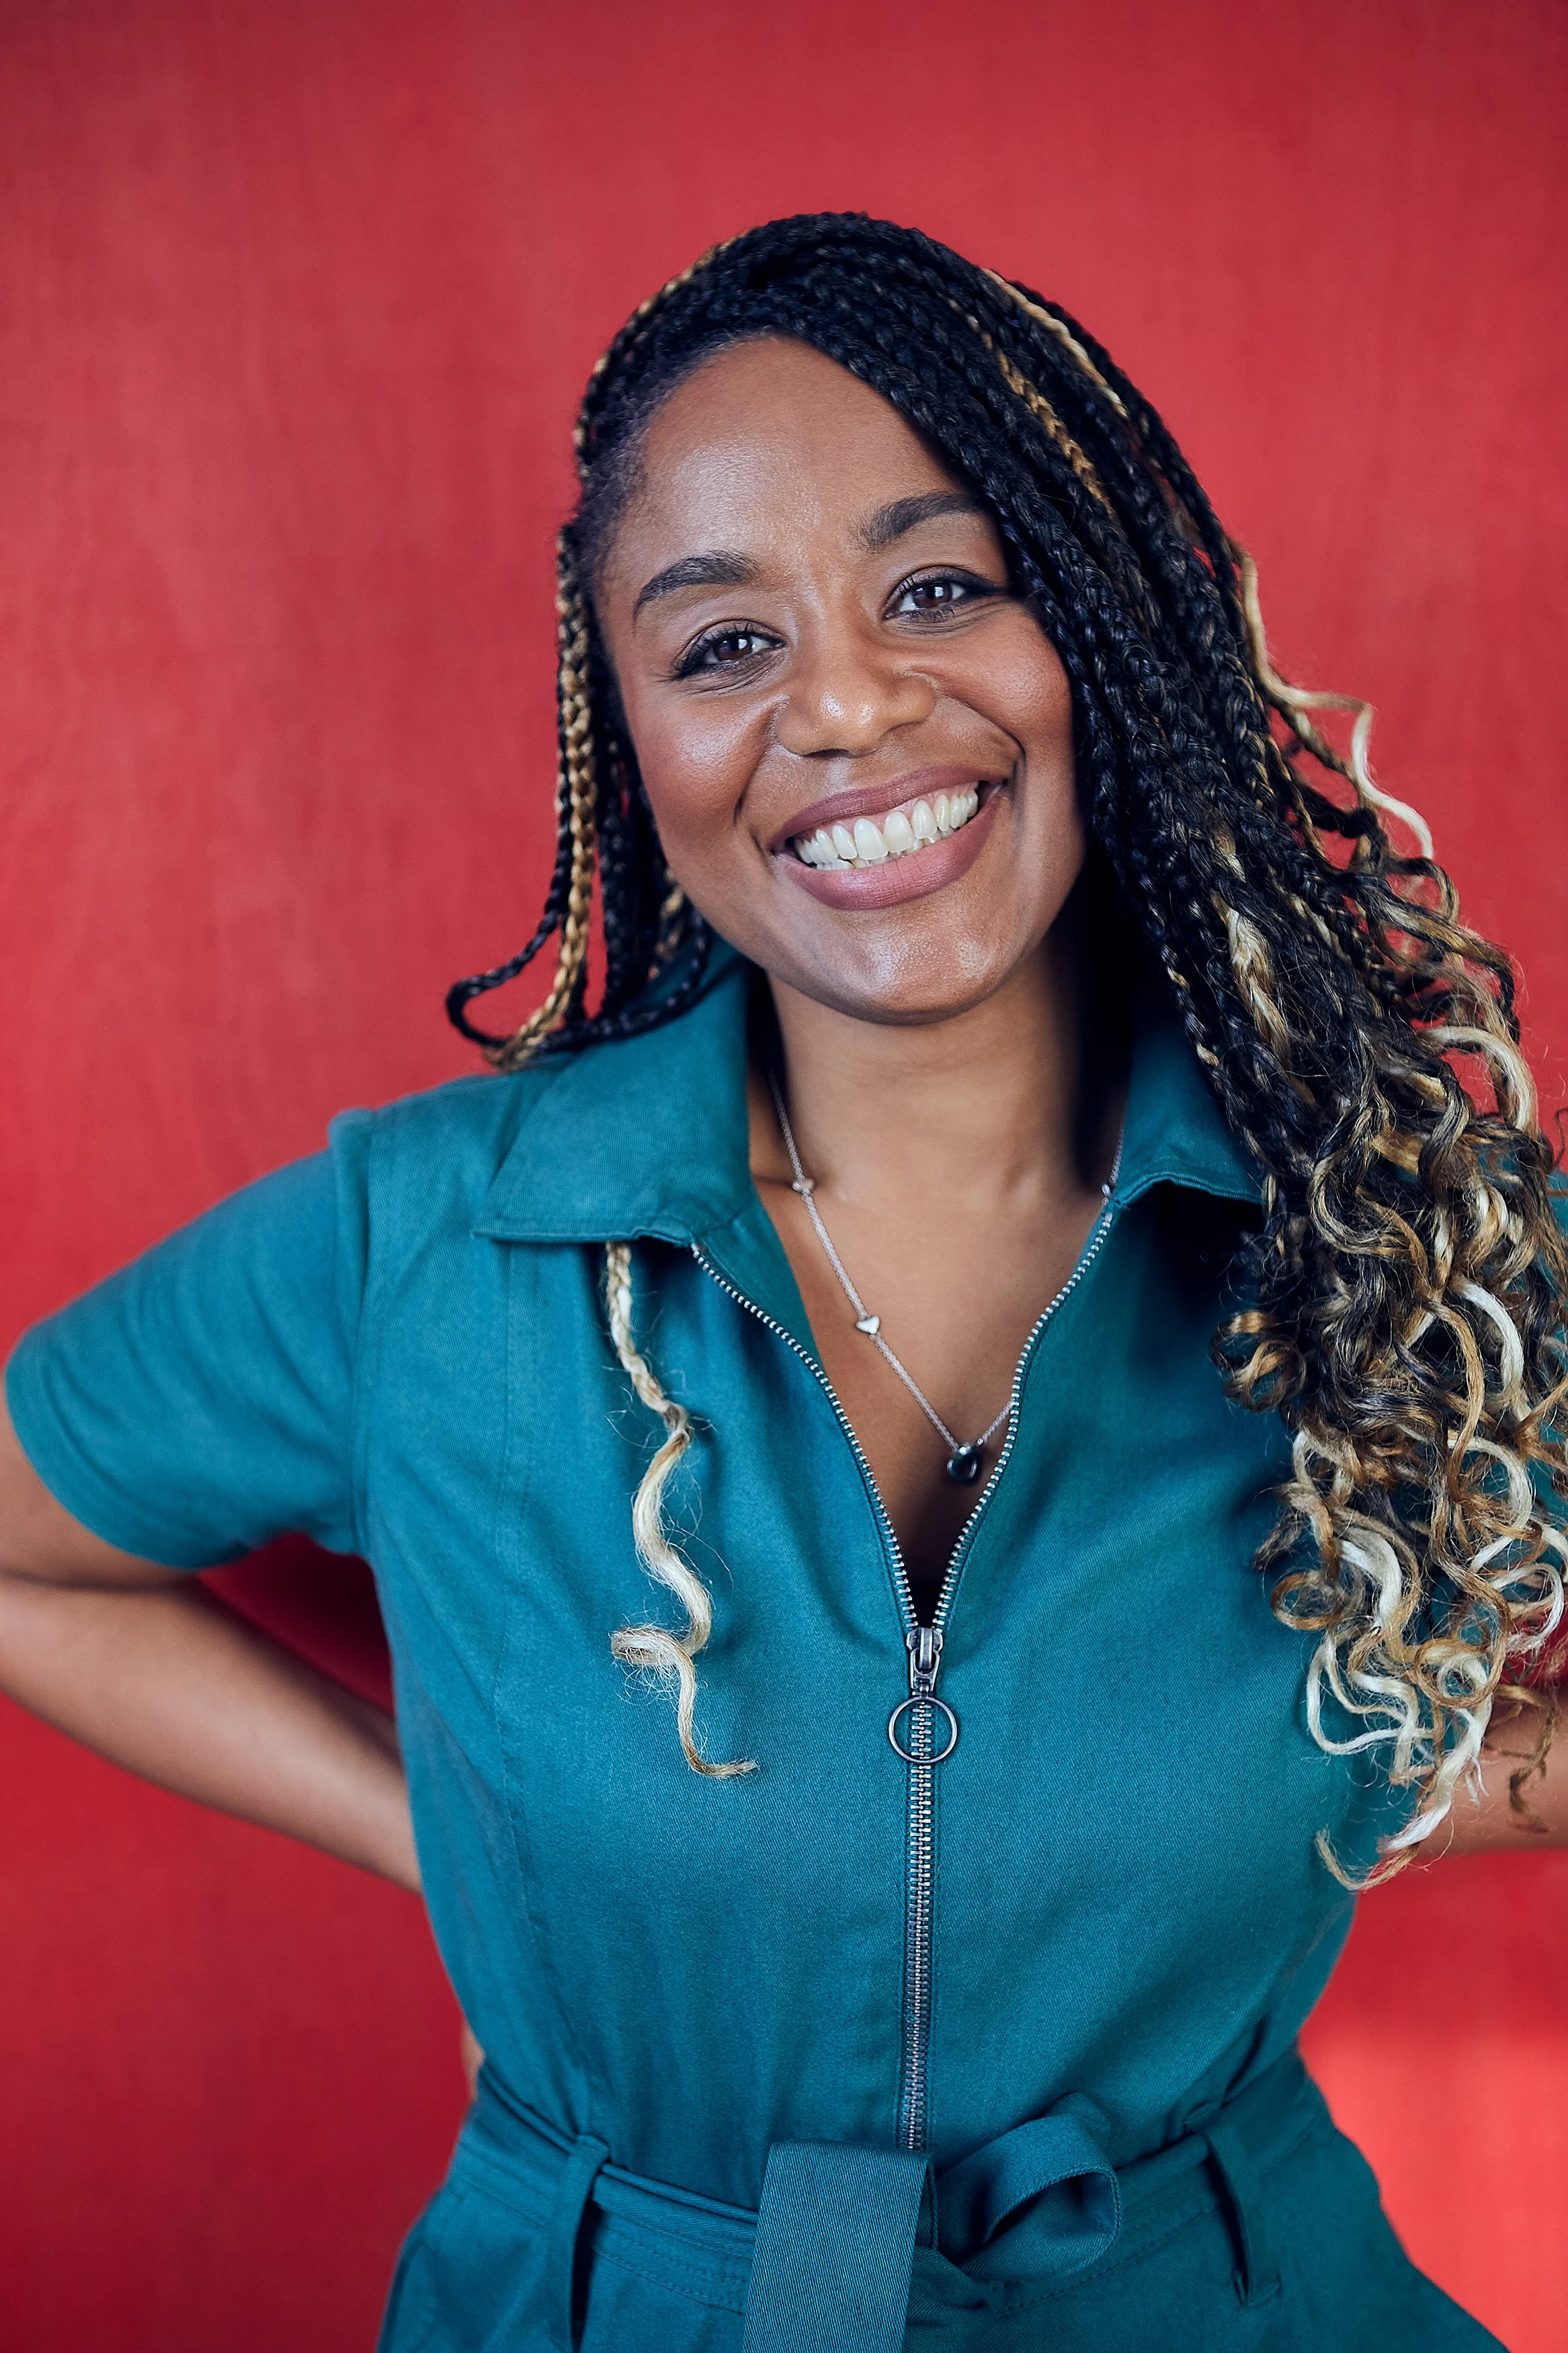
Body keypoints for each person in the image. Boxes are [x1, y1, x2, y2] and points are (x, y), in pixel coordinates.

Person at [1, 213, 1563, 2352]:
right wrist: (450, 1849)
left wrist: (1356, 1779)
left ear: (1099, 633)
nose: (840, 699)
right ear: (623, 729)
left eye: (937, 586)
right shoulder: (428, 1247)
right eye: (720, 643)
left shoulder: (1401, 1238)